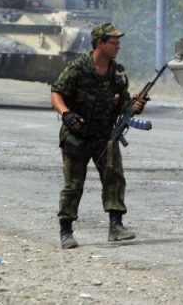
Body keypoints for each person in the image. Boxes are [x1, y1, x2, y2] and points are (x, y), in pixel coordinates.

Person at [51, 23, 146, 248]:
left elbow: (124, 105)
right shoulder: (78, 68)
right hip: (77, 135)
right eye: (113, 43)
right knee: (74, 184)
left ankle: (116, 226)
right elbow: (56, 93)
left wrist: (134, 106)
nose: (118, 46)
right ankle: (66, 231)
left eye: (118, 42)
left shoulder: (117, 73)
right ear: (100, 44)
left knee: (114, 178)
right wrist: (66, 114)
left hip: (104, 136)